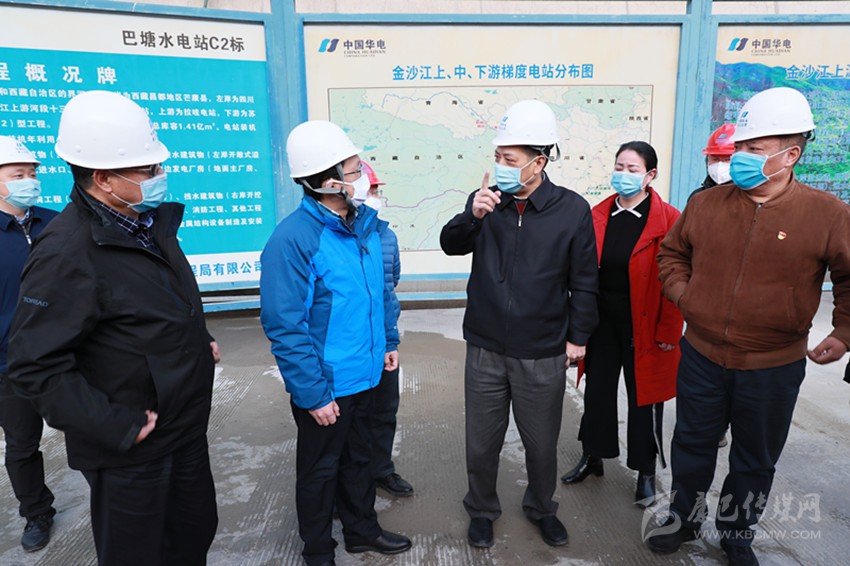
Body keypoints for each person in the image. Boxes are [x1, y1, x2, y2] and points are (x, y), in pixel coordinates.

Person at [8, 90, 219, 565]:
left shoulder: (145, 224)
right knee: (139, 553)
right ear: (103, 179)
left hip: (183, 428)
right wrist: (116, 425)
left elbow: (157, 305)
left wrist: (197, 339)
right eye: (148, 169)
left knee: (192, 536)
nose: (159, 176)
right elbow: (34, 365)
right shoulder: (66, 254)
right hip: (131, 448)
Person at [648, 87, 850, 566]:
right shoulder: (707, 205)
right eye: (739, 146)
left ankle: (737, 534)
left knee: (755, 459)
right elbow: (672, 254)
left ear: (790, 155)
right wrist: (685, 296)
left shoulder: (827, 214)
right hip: (701, 356)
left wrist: (843, 332)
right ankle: (684, 518)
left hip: (772, 366)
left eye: (754, 148)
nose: (739, 156)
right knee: (691, 446)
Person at [440, 100, 598, 549]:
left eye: (509, 159)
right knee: (481, 441)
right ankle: (481, 509)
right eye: (497, 157)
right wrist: (472, 215)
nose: (501, 167)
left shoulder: (572, 210)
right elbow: (451, 244)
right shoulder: (488, 202)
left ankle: (542, 508)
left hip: (542, 350)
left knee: (541, 443)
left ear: (538, 162)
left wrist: (578, 338)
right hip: (485, 346)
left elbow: (585, 281)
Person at [260, 120, 412, 566]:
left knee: (359, 460)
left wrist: (388, 340)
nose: (362, 176)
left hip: (366, 373)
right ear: (328, 181)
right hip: (327, 383)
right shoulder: (294, 239)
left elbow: (380, 293)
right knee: (320, 470)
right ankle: (318, 550)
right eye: (354, 169)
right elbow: (285, 325)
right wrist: (313, 392)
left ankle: (362, 532)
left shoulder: (363, 226)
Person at [560, 141, 683, 508]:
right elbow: (580, 273)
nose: (623, 175)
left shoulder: (669, 220)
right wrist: (576, 326)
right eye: (619, 167)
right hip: (601, 321)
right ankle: (593, 456)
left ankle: (645, 471)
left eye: (632, 169)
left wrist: (668, 330)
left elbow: (677, 279)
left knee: (644, 398)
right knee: (597, 392)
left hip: (644, 322)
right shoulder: (598, 214)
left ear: (650, 175)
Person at [0, 136, 59, 552]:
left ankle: (112, 494)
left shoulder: (56, 224)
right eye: (17, 174)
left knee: (93, 427)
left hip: (67, 355)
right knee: (22, 445)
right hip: (9, 364)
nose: (29, 181)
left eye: (32, 173)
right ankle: (37, 512)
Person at [356, 162, 414, 498]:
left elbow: (391, 283)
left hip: (384, 341)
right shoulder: (337, 236)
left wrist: (390, 340)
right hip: (352, 346)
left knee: (384, 410)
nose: (376, 196)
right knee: (351, 418)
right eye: (371, 189)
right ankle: (349, 482)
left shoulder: (386, 236)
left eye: (377, 190)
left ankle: (381, 469)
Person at [688, 123, 736, 202]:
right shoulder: (697, 198)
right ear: (707, 161)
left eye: (727, 159)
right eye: (715, 159)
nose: (719, 165)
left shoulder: (749, 198)